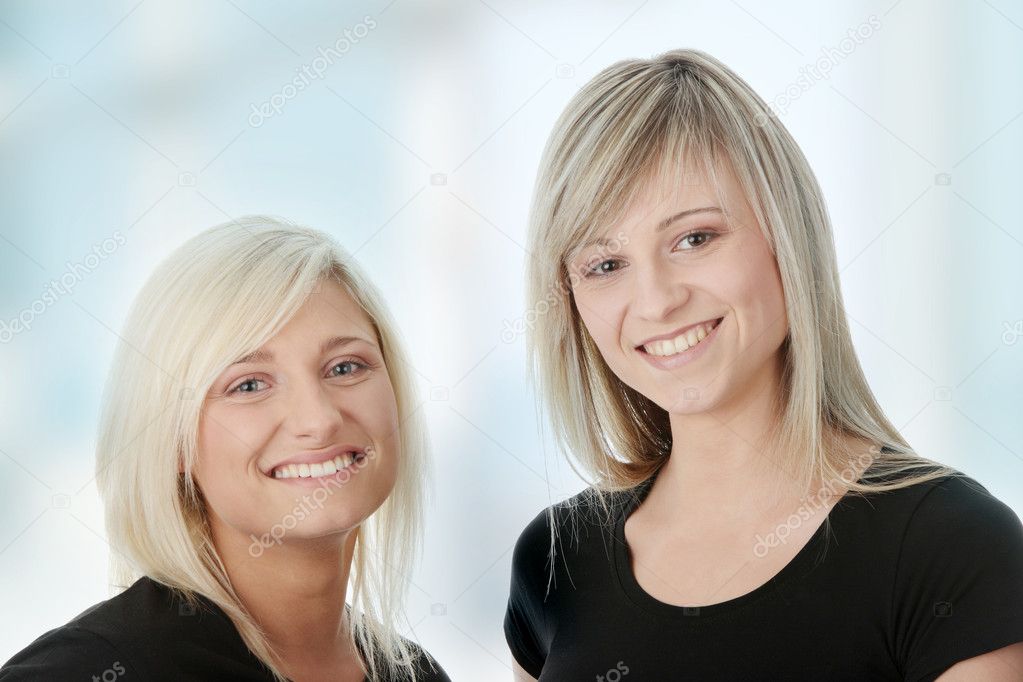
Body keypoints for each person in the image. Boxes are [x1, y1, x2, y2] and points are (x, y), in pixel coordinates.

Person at [504, 48, 1023, 681]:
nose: (658, 300)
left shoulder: (953, 549)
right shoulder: (556, 562)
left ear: (786, 234)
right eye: (606, 265)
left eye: (694, 239)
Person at [0, 216, 450, 681]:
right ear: (172, 443)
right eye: (249, 384)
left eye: (344, 367)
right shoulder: (78, 672)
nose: (319, 420)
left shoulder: (414, 674)